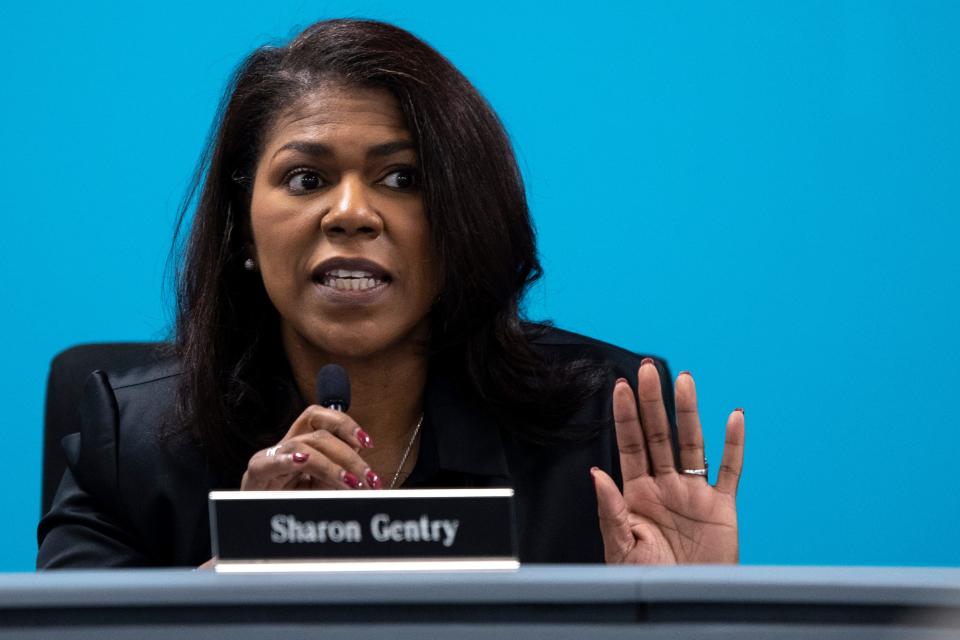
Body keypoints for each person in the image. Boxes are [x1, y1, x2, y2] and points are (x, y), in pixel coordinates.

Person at [37, 18, 744, 568]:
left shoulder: (603, 426)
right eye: (306, 179)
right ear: (244, 231)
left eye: (402, 178)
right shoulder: (132, 447)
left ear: (463, 219)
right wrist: (236, 582)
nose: (351, 213)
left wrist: (687, 615)